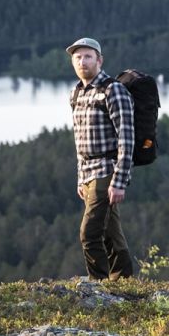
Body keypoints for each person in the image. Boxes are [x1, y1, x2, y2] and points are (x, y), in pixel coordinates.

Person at [66, 37, 136, 279]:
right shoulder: (76, 93)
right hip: (88, 173)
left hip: (107, 170)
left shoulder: (113, 90)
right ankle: (124, 282)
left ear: (99, 60)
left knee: (89, 233)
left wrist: (119, 181)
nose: (82, 61)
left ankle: (97, 288)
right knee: (110, 233)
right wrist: (79, 179)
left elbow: (127, 138)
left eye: (87, 56)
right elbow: (79, 142)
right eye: (77, 57)